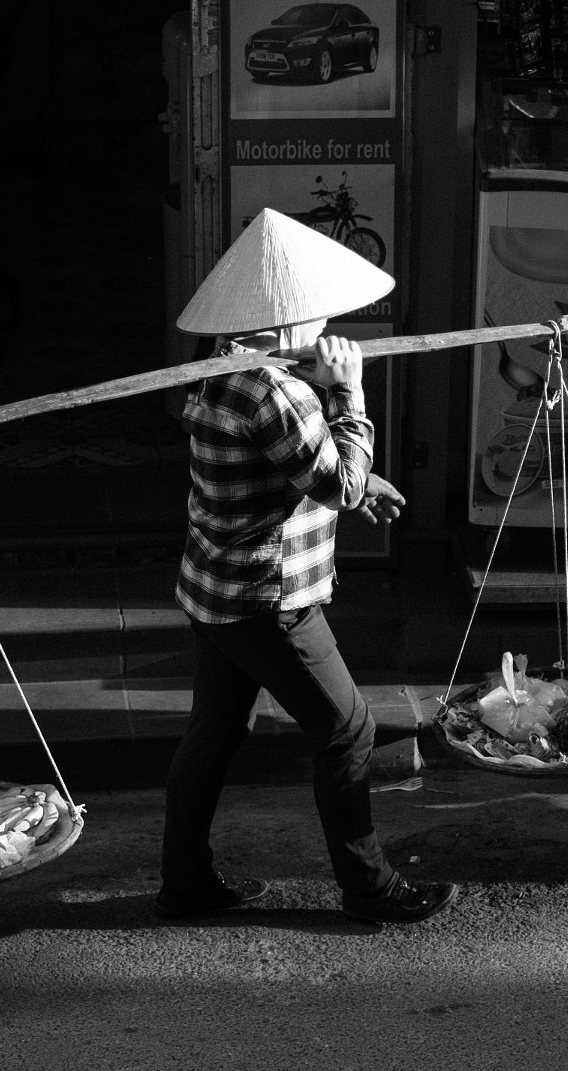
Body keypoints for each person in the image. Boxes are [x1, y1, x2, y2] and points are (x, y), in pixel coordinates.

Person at [157, 209, 457, 926]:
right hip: (268, 598)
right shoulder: (278, 392)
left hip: (213, 587)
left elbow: (291, 473)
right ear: (288, 322)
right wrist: (350, 398)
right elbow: (336, 484)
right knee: (348, 730)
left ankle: (185, 883)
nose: (326, 328)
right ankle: (369, 887)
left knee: (214, 735)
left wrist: (357, 479)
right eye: (315, 316)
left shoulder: (218, 365)